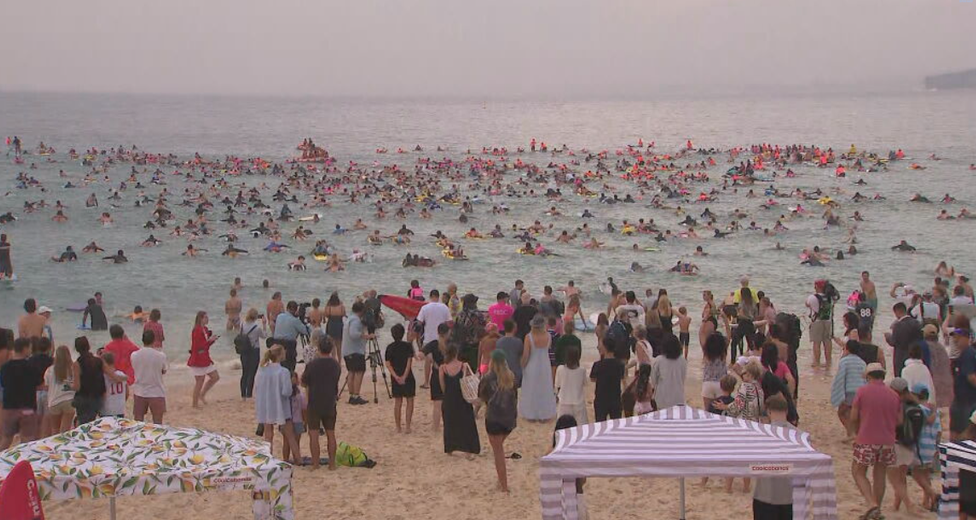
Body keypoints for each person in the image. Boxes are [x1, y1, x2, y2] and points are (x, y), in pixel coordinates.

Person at [850, 363, 902, 520]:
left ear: (868, 376)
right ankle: (876, 510)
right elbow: (899, 421)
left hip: (866, 438)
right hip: (887, 440)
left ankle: (871, 504)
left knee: (858, 471)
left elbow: (853, 417)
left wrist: (854, 433)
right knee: (880, 474)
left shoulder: (862, 391)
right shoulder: (894, 395)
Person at [478, 349, 518, 492]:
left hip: (494, 419)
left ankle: (504, 486)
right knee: (499, 447)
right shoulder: (511, 377)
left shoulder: (487, 378)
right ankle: (500, 481)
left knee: (498, 453)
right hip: (509, 420)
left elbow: (481, 398)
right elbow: (515, 398)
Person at [255, 345, 301, 465]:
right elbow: (286, 392)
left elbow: (258, 388)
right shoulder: (283, 371)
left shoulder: (262, 370)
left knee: (268, 435)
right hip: (281, 406)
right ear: (280, 355)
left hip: (267, 405)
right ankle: (298, 459)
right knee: (290, 435)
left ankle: (268, 458)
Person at [752, 395, 796, 520]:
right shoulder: (799, 436)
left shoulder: (761, 435)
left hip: (765, 495)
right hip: (789, 496)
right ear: (786, 411)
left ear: (768, 411)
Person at [302, 335, 341, 470]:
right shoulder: (335, 365)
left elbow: (304, 382)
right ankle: (332, 464)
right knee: (331, 434)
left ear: (318, 348)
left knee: (313, 435)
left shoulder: (312, 365)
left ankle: (315, 464)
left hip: (314, 401)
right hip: (330, 401)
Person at [439, 343, 480, 456]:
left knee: (450, 424)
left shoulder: (442, 368)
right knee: (466, 423)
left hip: (449, 399)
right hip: (462, 398)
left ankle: (450, 448)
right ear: (456, 353)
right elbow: (469, 382)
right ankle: (468, 449)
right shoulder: (464, 366)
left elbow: (443, 386)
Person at [0, 338, 42, 449]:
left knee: (6, 439)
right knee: (27, 440)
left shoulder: (5, 367)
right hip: (27, 408)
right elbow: (39, 384)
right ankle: (24, 459)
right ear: (25, 349)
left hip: (9, 408)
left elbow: (3, 384)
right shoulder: (31, 366)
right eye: (30, 348)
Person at [519, 315, 557, 421]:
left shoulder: (529, 337)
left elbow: (526, 355)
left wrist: (522, 365)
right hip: (545, 365)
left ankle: (531, 414)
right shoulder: (548, 336)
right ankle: (544, 414)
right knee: (544, 389)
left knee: (531, 389)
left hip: (532, 365)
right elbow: (548, 349)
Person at [830, 340, 867, 439]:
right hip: (861, 391)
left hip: (849, 391)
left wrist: (838, 392)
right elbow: (865, 377)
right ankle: (856, 433)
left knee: (842, 413)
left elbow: (840, 377)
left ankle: (851, 433)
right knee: (856, 414)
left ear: (847, 349)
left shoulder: (844, 361)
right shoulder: (862, 362)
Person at [131, 329, 167, 424]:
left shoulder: (134, 355)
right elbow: (163, 370)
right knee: (157, 422)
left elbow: (134, 368)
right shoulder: (160, 356)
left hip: (139, 390)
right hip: (156, 391)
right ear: (154, 340)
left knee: (138, 421)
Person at [384, 324, 416, 433]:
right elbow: (409, 363)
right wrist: (404, 376)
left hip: (395, 377)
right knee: (410, 400)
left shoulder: (389, 347)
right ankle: (408, 426)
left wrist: (396, 376)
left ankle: (398, 427)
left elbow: (388, 364)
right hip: (408, 376)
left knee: (398, 402)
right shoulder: (408, 346)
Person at [421, 323, 450, 431]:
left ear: (438, 332)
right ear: (448, 332)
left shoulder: (433, 344)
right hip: (448, 375)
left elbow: (421, 354)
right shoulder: (451, 344)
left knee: (437, 404)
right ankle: (448, 426)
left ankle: (435, 427)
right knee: (448, 403)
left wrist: (431, 359)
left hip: (436, 375)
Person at [188, 311, 220, 408]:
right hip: (198, 358)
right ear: (200, 319)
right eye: (205, 317)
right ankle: (194, 404)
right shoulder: (196, 330)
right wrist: (209, 341)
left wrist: (212, 341)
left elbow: (205, 345)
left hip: (205, 357)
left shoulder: (205, 329)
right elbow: (198, 346)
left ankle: (202, 395)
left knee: (215, 377)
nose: (207, 319)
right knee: (199, 381)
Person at [342, 301, 371, 405]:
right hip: (355, 351)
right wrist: (366, 336)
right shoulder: (356, 321)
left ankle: (352, 396)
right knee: (359, 372)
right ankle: (356, 395)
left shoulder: (349, 318)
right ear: (362, 311)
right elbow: (353, 334)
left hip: (347, 350)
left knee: (351, 372)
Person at [44, 344, 77, 435]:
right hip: (69, 401)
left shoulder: (49, 370)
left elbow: (46, 387)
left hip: (54, 401)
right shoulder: (72, 369)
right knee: (65, 430)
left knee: (55, 429)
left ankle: (56, 443)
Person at [590, 336, 625, 421]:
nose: (598, 347)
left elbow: (592, 379)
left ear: (605, 348)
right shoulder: (620, 364)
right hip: (615, 398)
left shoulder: (598, 364)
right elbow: (622, 377)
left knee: (600, 424)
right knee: (616, 424)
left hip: (601, 399)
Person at [73, 336, 106, 424]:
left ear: (76, 349)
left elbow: (77, 386)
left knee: (84, 424)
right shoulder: (98, 361)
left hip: (84, 398)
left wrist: (68, 386)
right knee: (92, 422)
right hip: (97, 397)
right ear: (89, 346)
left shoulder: (77, 364)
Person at [650, 333, 688, 409]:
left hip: (662, 398)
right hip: (678, 397)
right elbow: (682, 378)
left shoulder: (659, 360)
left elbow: (653, 380)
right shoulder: (683, 360)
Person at [951, 327, 976, 440]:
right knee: (955, 431)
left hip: (967, 402)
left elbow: (971, 377)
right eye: (954, 337)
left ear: (966, 338)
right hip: (960, 400)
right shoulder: (963, 354)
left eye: (958, 337)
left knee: (964, 434)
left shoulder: (968, 354)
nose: (955, 340)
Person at [885, 302, 922, 377]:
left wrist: (888, 337)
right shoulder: (917, 323)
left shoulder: (898, 325)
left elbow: (893, 342)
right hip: (914, 356)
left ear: (897, 312)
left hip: (900, 357)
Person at [272, 301, 310, 372]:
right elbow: (306, 331)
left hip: (276, 343)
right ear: (295, 310)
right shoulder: (295, 321)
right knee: (289, 366)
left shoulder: (279, 316)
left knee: (278, 366)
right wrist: (306, 322)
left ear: (287, 308)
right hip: (289, 346)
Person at [554, 345, 588, 424]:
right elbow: (584, 384)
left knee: (562, 427)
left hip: (564, 402)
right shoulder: (582, 370)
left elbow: (557, 385)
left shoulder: (560, 369)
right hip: (578, 402)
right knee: (581, 427)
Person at [238, 309, 266, 399]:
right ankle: (249, 394)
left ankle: (243, 394)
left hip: (244, 350)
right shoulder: (257, 328)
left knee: (244, 373)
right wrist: (264, 324)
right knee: (252, 373)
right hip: (254, 351)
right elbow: (264, 336)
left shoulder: (242, 325)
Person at [805, 280, 833, 367]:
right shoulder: (830, 297)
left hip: (817, 321)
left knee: (816, 343)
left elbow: (807, 304)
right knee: (827, 342)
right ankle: (828, 362)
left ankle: (817, 362)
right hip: (828, 321)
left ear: (817, 287)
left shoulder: (812, 297)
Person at [701, 332, 729, 410]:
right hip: (721, 384)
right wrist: (726, 324)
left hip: (707, 383)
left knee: (707, 411)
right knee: (720, 412)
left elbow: (702, 334)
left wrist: (704, 325)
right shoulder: (723, 354)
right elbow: (729, 337)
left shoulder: (706, 353)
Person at [99, 352, 128, 418]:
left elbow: (103, 394)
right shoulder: (121, 374)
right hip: (120, 408)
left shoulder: (103, 376)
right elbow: (127, 392)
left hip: (106, 409)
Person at [496, 320, 523, 388]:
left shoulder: (499, 342)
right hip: (516, 372)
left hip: (502, 372)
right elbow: (521, 357)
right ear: (514, 328)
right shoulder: (518, 342)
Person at [323, 292, 346, 358]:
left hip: (331, 324)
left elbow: (326, 315)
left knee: (332, 345)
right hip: (339, 324)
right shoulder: (341, 306)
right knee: (339, 345)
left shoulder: (329, 307)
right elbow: (344, 314)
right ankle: (339, 360)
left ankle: (333, 359)